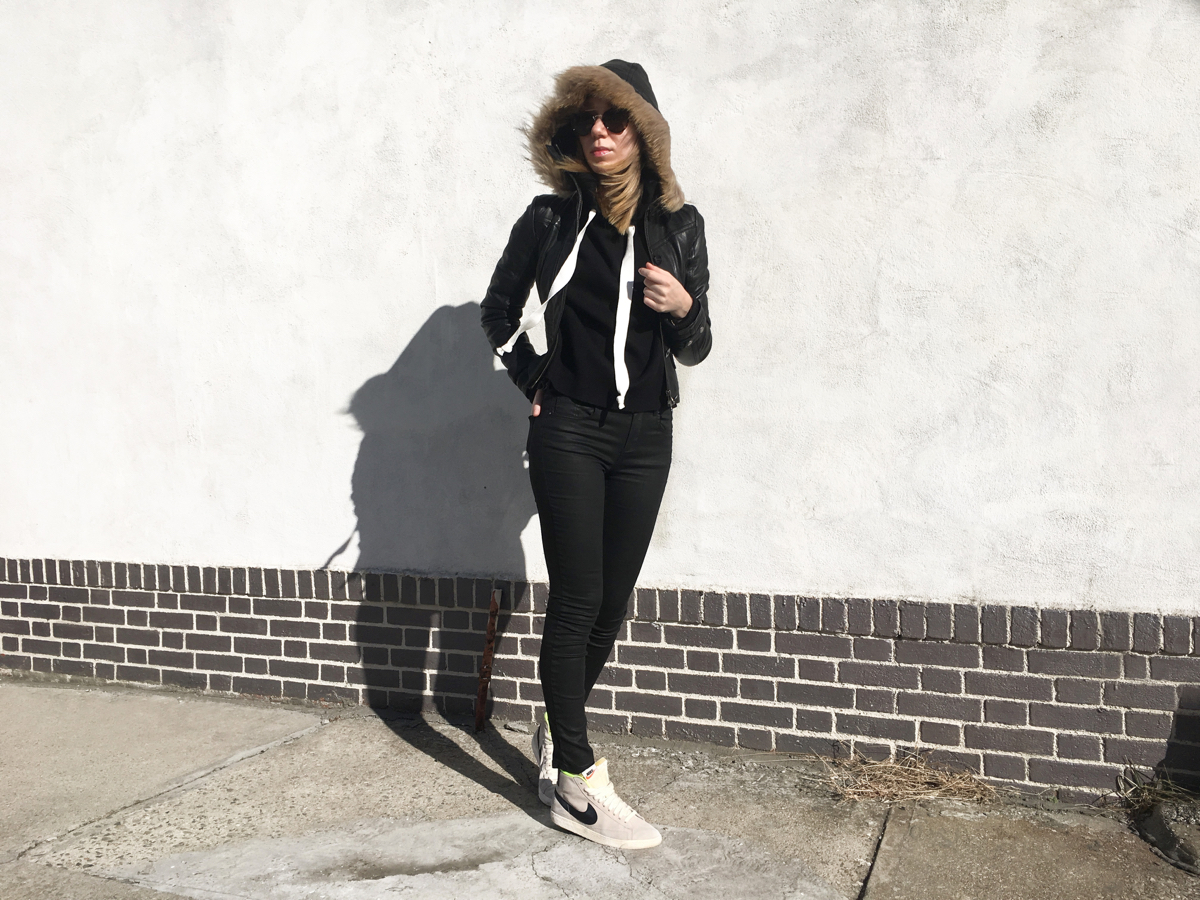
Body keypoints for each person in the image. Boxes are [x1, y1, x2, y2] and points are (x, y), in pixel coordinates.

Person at [481, 60, 712, 849]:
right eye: (587, 122)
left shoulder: (680, 228)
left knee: (611, 604)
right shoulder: (549, 220)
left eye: (615, 121)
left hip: (647, 436)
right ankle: (575, 780)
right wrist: (532, 377)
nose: (600, 134)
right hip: (569, 428)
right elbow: (498, 312)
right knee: (577, 597)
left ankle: (556, 722)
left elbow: (698, 345)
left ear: (642, 131)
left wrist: (682, 308)